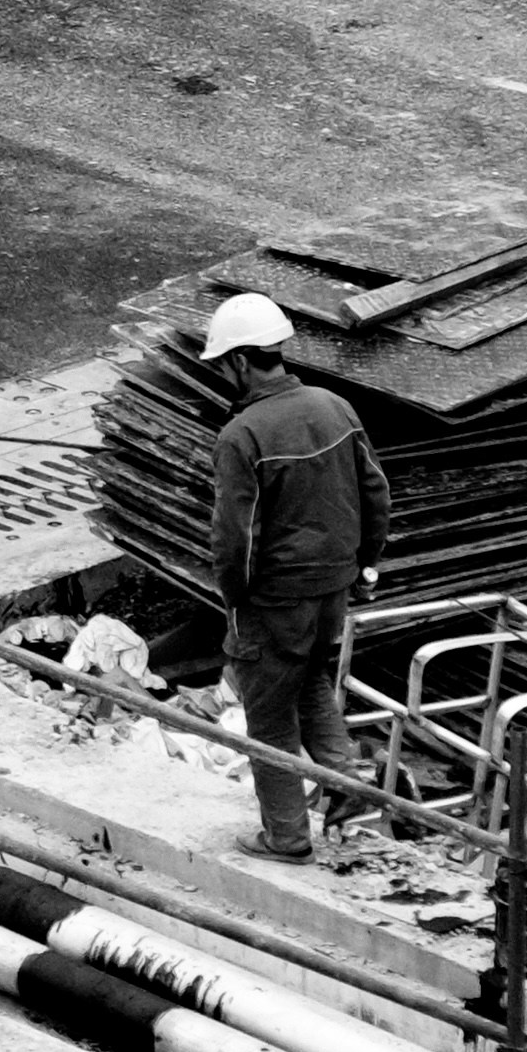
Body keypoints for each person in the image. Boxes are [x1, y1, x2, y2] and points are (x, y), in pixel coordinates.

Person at [201, 289, 390, 858]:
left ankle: (285, 836)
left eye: (224, 365)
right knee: (310, 682)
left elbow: (235, 540)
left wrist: (236, 602)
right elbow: (375, 493)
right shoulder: (334, 406)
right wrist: (365, 565)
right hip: (334, 589)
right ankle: (347, 784)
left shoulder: (242, 435)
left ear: (240, 360)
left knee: (269, 722)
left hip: (276, 601)